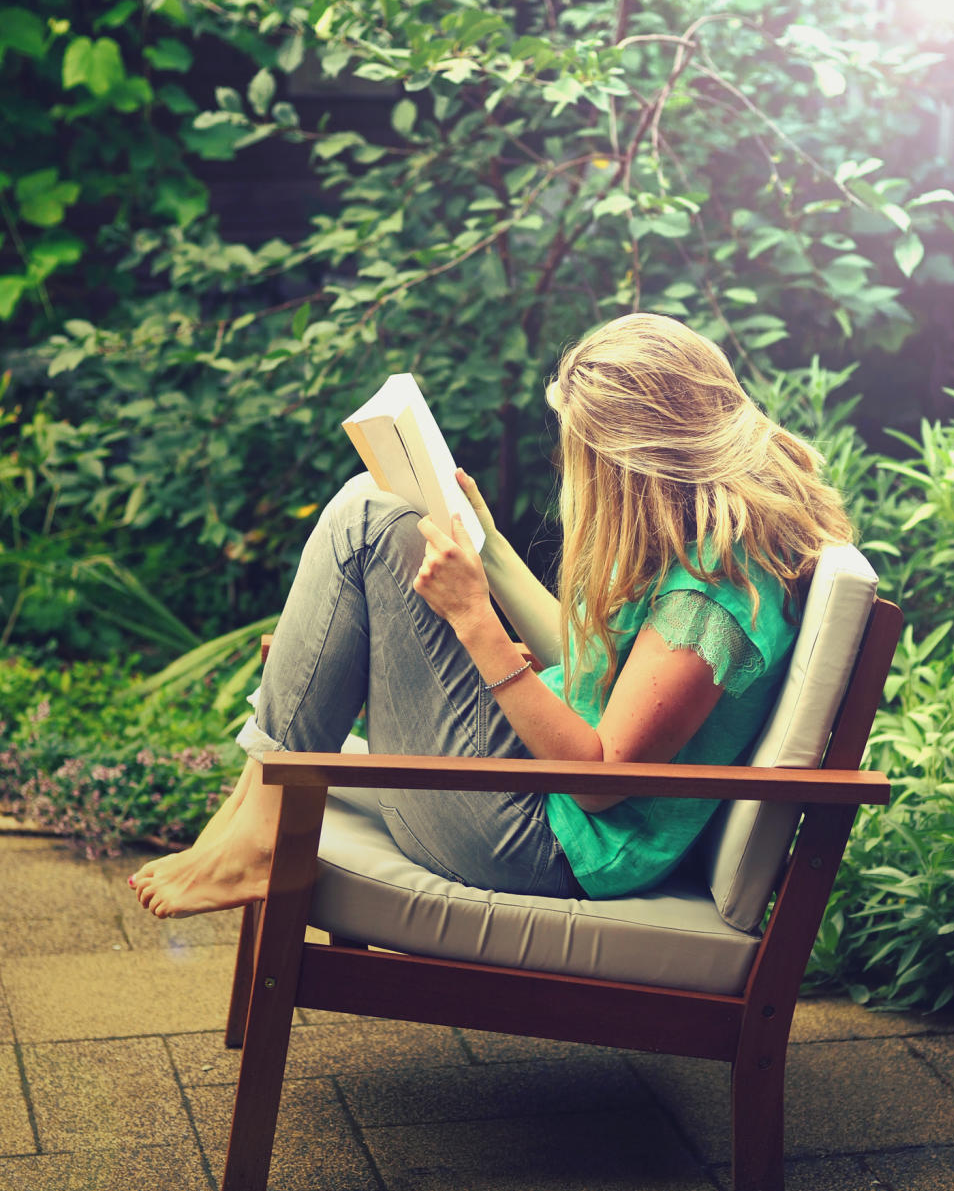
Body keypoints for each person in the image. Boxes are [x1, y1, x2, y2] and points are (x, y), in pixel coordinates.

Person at [129, 313, 852, 919]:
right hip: (539, 806)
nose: (579, 471)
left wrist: (477, 620)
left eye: (585, 452)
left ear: (638, 456)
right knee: (372, 520)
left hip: (544, 844)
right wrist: (491, 546)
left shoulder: (711, 599)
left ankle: (260, 830)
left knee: (365, 518)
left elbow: (597, 782)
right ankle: (254, 814)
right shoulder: (723, 551)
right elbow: (592, 669)